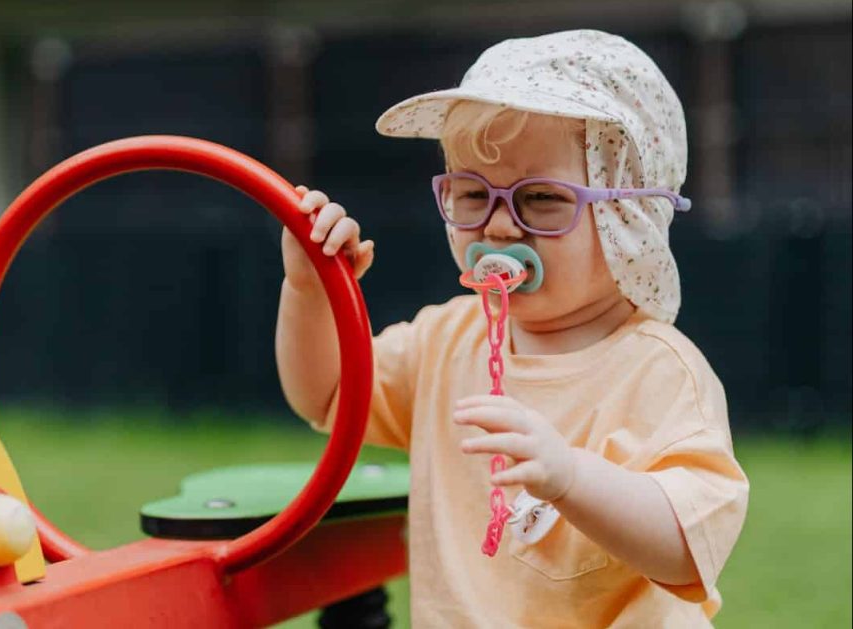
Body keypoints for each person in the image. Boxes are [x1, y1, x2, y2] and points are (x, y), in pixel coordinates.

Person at [275, 30, 748, 627]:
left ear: (629, 219)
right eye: (472, 193)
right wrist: (310, 290)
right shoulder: (445, 341)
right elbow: (325, 394)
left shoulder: (658, 371)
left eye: (543, 199)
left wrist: (571, 477)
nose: (498, 228)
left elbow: (687, 551)